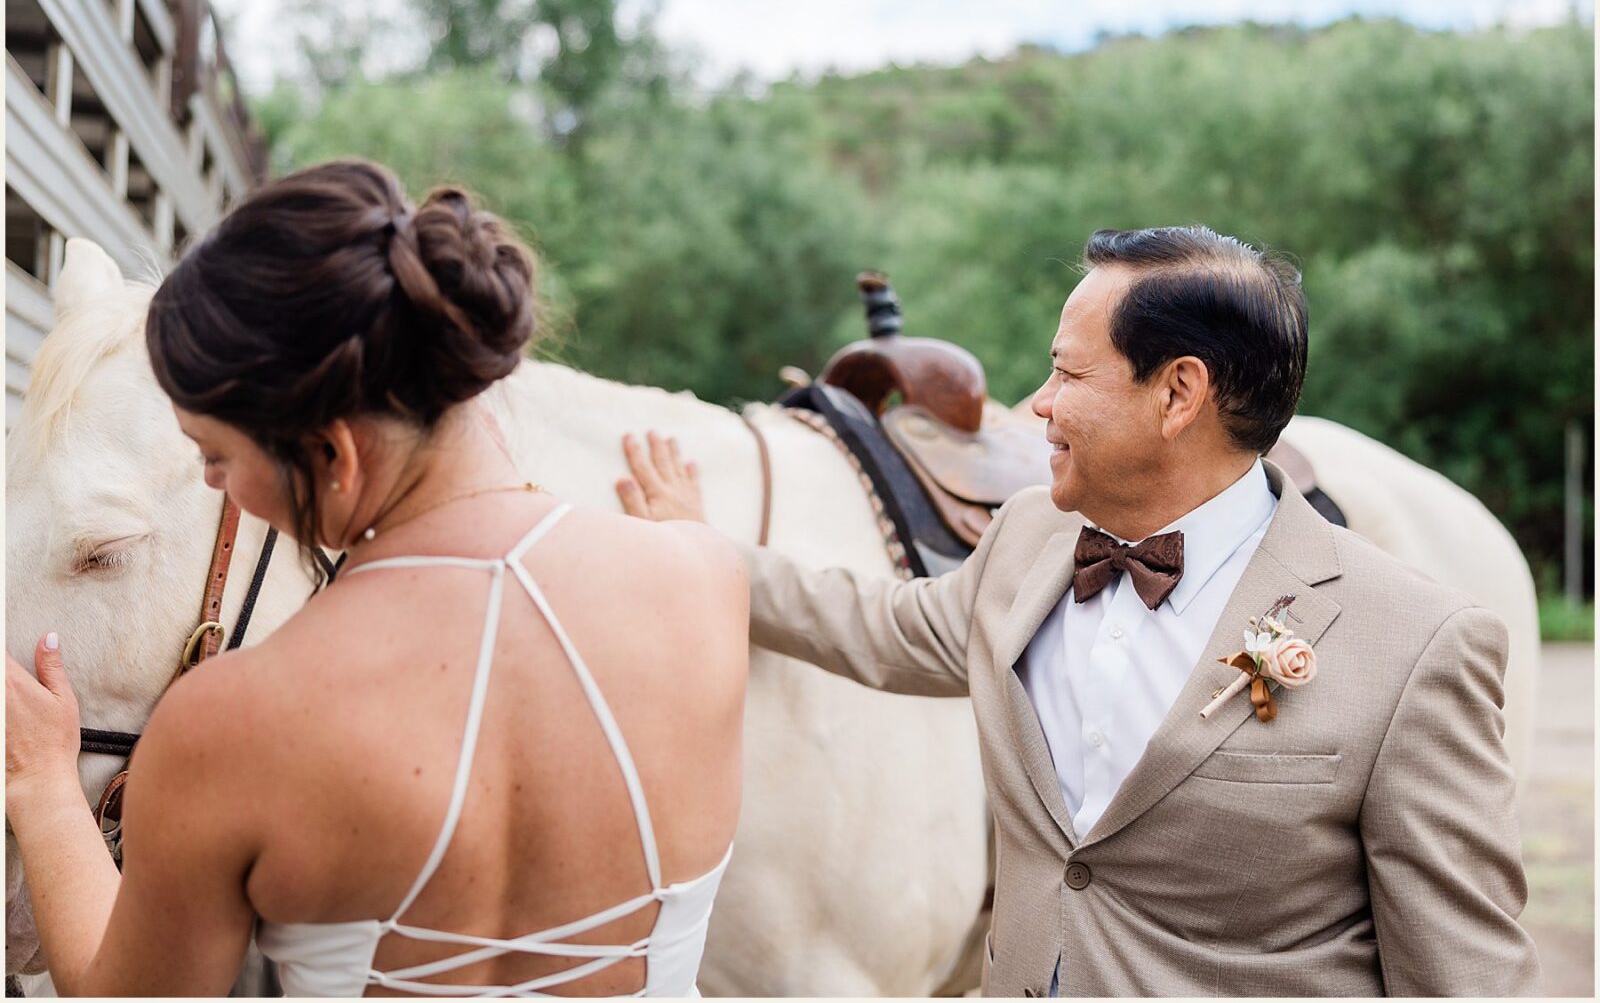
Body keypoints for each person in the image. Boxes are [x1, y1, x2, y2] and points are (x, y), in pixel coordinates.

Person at [617, 225, 1541, 997]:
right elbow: (875, 624)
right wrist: (707, 550)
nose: (1037, 406)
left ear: (1178, 393)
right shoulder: (1026, 542)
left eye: (1069, 375)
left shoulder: (1418, 646)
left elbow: (1467, 980)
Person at [5, 159, 748, 997]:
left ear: (334, 453)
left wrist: (40, 785)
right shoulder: (705, 579)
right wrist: (685, 531)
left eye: (217, 459)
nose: (219, 490)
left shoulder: (226, 723)